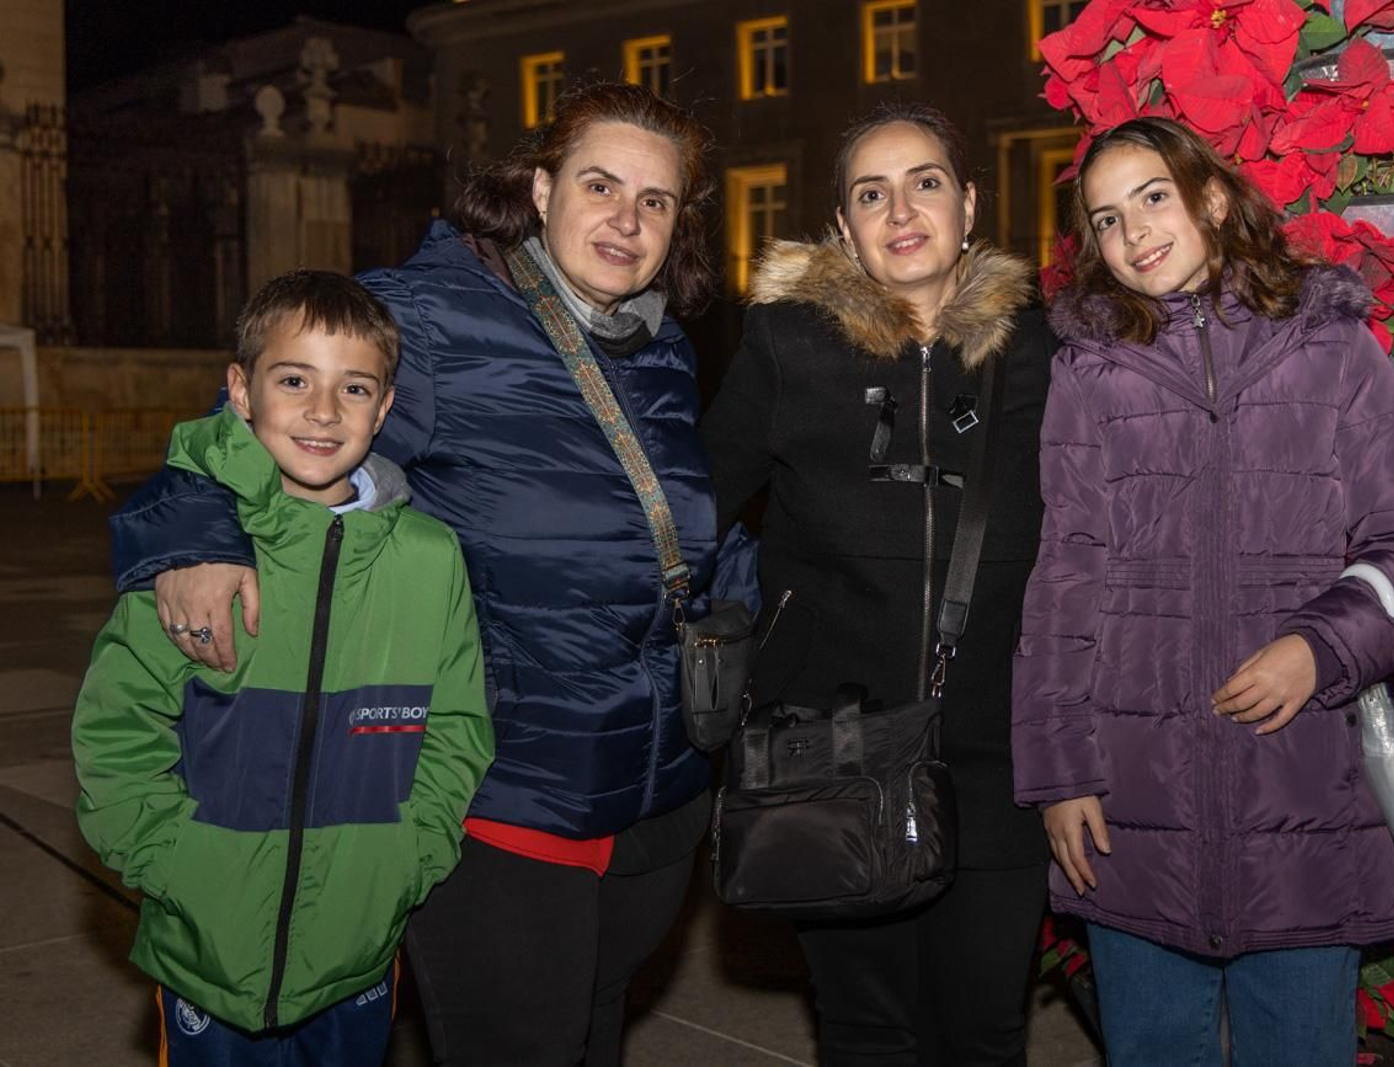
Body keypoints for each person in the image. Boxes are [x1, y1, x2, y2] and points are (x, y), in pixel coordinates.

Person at [106, 83, 753, 1066]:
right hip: (504, 796)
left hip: (654, 788)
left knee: (594, 1031)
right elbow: (250, 426)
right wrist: (195, 541)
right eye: (599, 183)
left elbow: (681, 538)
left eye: (655, 200)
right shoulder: (434, 314)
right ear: (540, 188)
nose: (627, 218)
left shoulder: (658, 346)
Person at [1011, 116, 1394, 1066]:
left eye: (1152, 198)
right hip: (1134, 811)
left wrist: (1320, 644)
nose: (1132, 234)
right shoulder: (1089, 374)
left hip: (1300, 793)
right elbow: (1066, 575)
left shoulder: (1333, 349)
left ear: (1212, 198)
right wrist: (1060, 773)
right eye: (1106, 219)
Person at [701, 102, 1053, 1065]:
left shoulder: (1044, 350)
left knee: (983, 1033)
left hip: (1001, 757)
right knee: (867, 1032)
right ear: (846, 227)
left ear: (968, 203)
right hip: (832, 747)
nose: (902, 209)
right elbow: (690, 515)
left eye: (925, 181)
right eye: (872, 192)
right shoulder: (788, 344)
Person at [73, 270, 494, 1066]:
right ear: (240, 389)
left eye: (355, 387)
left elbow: (457, 730)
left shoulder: (429, 561)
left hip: (358, 952)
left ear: (387, 406)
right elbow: (116, 730)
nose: (324, 411)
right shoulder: (196, 554)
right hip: (209, 956)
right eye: (294, 378)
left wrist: (405, 861)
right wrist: (175, 864)